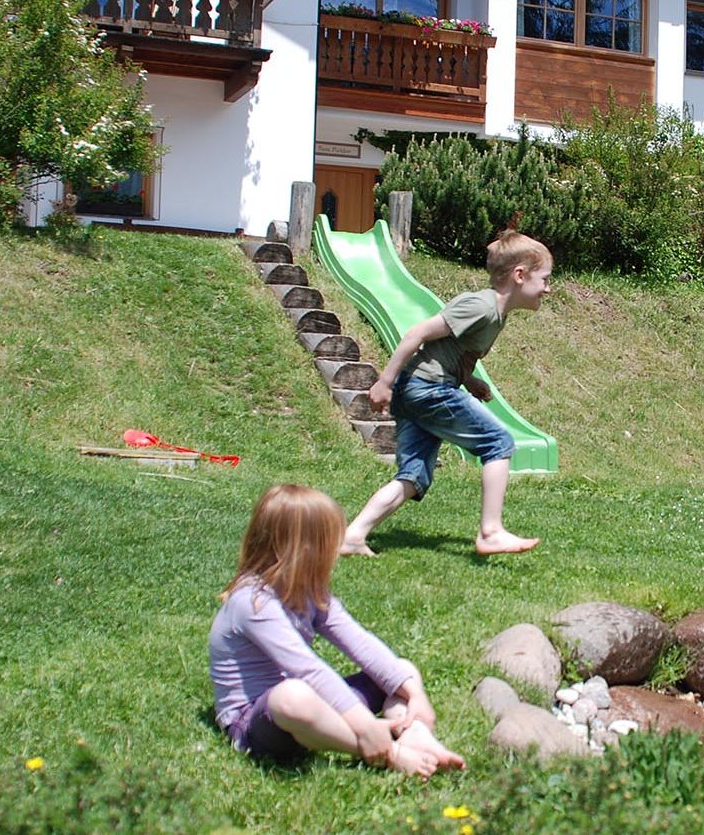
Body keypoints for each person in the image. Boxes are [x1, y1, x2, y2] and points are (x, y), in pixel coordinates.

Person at [209, 483, 466, 777]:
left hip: (316, 714)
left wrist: (415, 694)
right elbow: (307, 669)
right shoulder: (253, 602)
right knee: (292, 695)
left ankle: (415, 735)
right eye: (328, 543)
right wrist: (366, 727)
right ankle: (388, 752)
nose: (334, 553)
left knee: (401, 670)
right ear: (301, 549)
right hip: (260, 722)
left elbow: (362, 645)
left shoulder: (309, 591)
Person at [341, 222, 552, 556]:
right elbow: (417, 335)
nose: (548, 289)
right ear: (520, 275)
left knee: (413, 477)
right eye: (545, 279)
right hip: (426, 388)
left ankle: (353, 536)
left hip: (422, 390)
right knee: (499, 442)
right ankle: (491, 531)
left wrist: (470, 381)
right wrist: (384, 381)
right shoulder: (480, 306)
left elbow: (453, 350)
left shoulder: (497, 314)